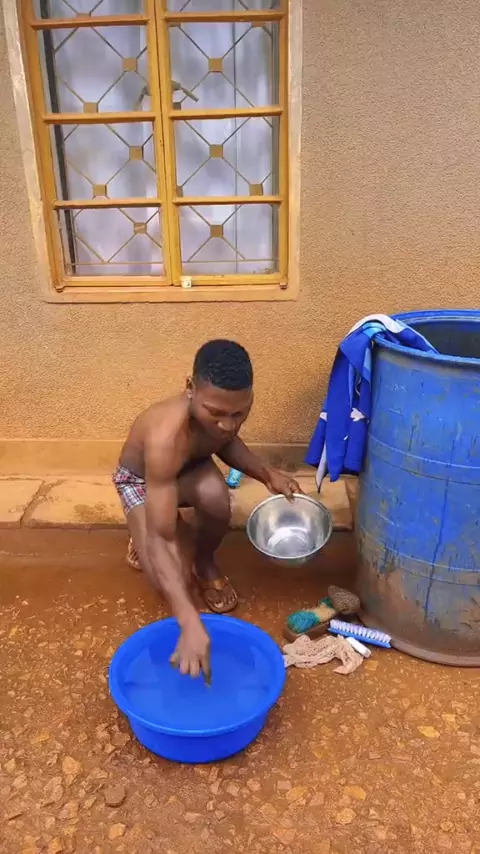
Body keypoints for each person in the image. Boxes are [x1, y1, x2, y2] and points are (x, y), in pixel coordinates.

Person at [113, 339, 301, 680]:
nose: (228, 424)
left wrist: (267, 473)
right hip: (143, 480)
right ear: (190, 387)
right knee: (165, 573)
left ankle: (204, 561)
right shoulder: (166, 437)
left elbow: (225, 442)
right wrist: (189, 621)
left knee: (216, 497)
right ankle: (141, 529)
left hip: (190, 468)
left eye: (239, 414)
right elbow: (160, 538)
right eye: (215, 413)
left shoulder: (223, 412)